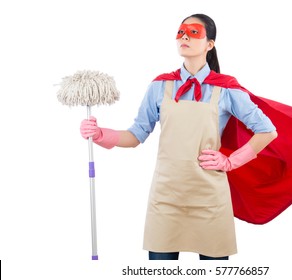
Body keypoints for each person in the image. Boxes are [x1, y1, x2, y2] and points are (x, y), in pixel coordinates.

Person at [80, 13, 278, 260]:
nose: (184, 36)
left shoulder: (226, 89)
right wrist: (100, 134)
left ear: (210, 44)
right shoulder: (160, 86)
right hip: (166, 196)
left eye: (193, 31)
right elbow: (136, 134)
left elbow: (267, 130)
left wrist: (230, 161)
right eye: (181, 31)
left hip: (209, 198)